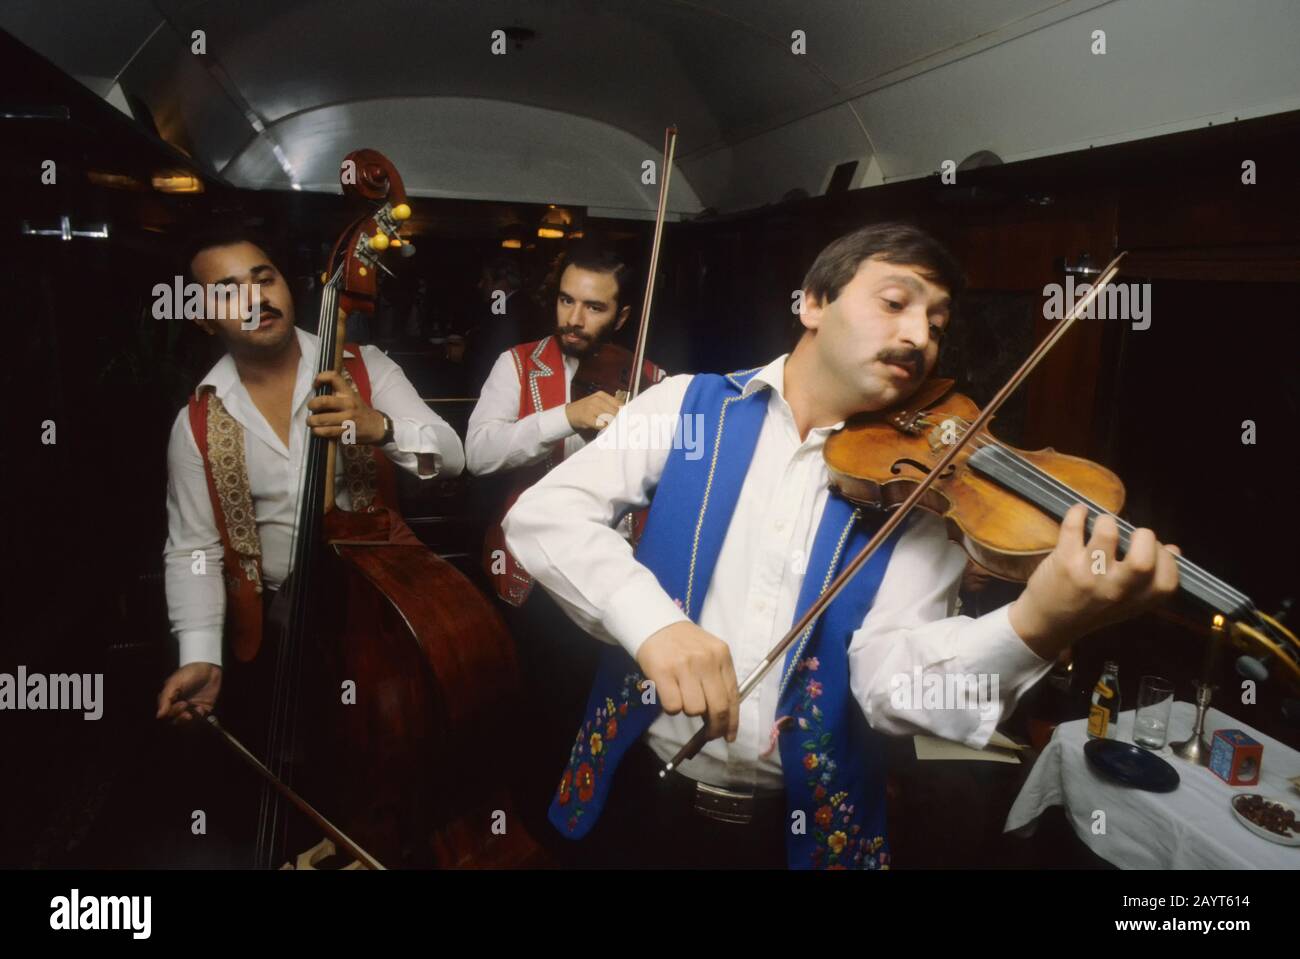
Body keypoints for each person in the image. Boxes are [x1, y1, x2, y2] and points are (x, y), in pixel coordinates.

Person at [503, 221, 1180, 869]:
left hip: (798, 834)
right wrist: (653, 625)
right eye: (895, 303)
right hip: (637, 791)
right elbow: (544, 516)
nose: (919, 336)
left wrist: (1039, 622)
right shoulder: (683, 406)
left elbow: (891, 686)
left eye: (937, 325)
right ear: (814, 303)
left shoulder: (921, 493)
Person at [155, 227, 464, 737]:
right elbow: (194, 549)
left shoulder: (367, 369)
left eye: (264, 278)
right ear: (203, 319)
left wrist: (378, 427)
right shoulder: (196, 422)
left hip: (382, 611)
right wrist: (200, 654)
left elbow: (454, 455)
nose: (256, 297)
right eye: (229, 291)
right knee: (298, 754)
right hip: (279, 625)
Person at [465, 242, 664, 846]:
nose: (574, 319)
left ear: (623, 316)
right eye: (566, 300)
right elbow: (478, 454)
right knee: (534, 714)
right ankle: (527, 834)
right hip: (527, 576)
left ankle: (589, 834)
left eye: (595, 308)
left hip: (611, 579)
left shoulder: (650, 378)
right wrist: (566, 417)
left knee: (601, 715)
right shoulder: (519, 365)